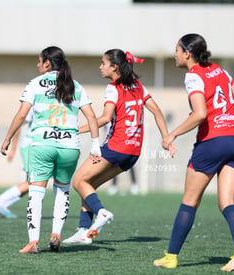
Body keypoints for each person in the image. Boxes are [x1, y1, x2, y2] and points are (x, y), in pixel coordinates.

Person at [153, 33, 234, 272]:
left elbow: (200, 115)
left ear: (187, 53)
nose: (174, 53)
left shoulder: (193, 76)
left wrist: (172, 134)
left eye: (177, 49)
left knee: (190, 201)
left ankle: (172, 256)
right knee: (227, 202)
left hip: (213, 142)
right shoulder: (219, 70)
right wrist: (222, 110)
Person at [63, 49, 174, 244]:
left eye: (103, 63)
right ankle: (83, 231)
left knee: (78, 181)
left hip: (116, 147)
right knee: (89, 186)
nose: (100, 66)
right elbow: (157, 111)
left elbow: (106, 118)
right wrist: (166, 138)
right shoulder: (139, 87)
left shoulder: (113, 88)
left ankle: (102, 213)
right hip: (133, 153)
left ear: (114, 67)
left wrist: (75, 130)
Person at [0, 46, 101, 254]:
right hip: (70, 147)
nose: (38, 65)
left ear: (47, 63)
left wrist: (8, 139)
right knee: (62, 190)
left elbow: (21, 115)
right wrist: (95, 145)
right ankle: (56, 235)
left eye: (39, 61)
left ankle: (33, 242)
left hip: (42, 145)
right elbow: (92, 117)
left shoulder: (34, 84)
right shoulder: (75, 85)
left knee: (36, 192)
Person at [0, 109, 33, 218]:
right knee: (34, 182)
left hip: (37, 148)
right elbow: (19, 123)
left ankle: (3, 203)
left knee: (33, 183)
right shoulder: (38, 104)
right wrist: (13, 148)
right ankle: (1, 200)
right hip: (31, 147)